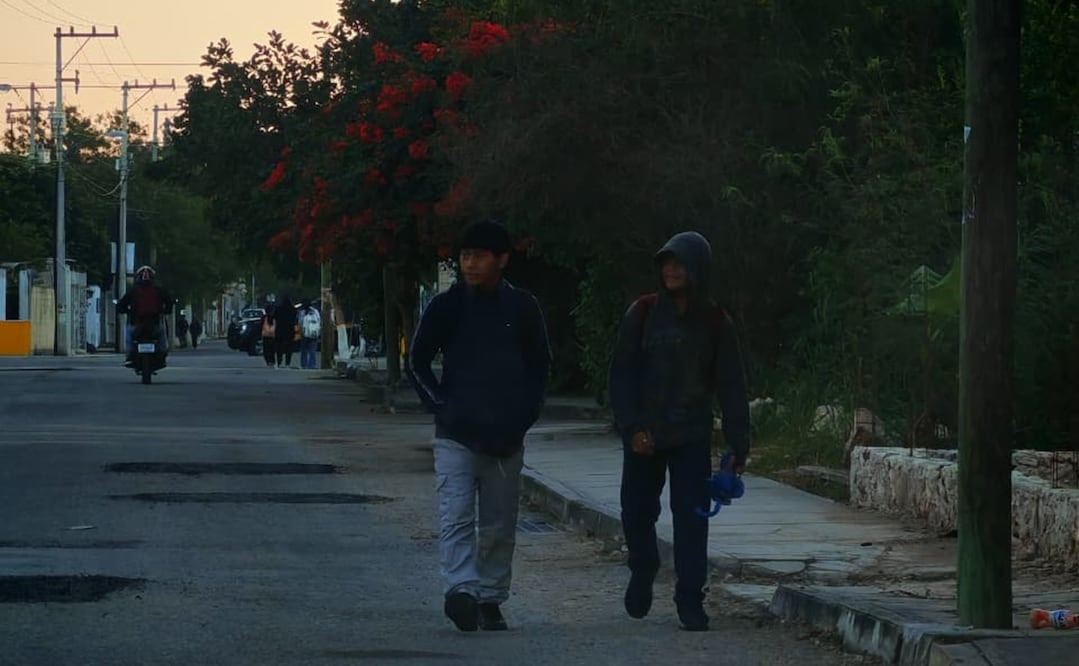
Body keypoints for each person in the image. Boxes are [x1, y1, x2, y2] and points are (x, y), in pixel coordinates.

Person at [406, 219, 551, 632]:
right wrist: (442, 407)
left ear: (501, 259)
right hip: (456, 436)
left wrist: (524, 417)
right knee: (455, 516)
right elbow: (417, 362)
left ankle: (490, 596)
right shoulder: (446, 306)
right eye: (465, 256)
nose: (470, 263)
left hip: (506, 437)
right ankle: (461, 591)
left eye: (479, 256)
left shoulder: (523, 308)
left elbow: (540, 368)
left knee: (500, 523)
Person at [607, 231, 750, 632]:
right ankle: (643, 566)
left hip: (691, 435)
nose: (670, 270)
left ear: (698, 269)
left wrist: (739, 445)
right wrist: (632, 427)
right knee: (636, 513)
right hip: (644, 437)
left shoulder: (717, 323)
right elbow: (621, 376)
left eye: (679, 262)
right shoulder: (643, 313)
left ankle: (690, 598)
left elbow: (732, 386)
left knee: (691, 520)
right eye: (665, 262)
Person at [116, 265, 174, 368]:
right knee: (162, 337)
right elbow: (169, 302)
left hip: (136, 323)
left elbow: (121, 305)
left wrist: (126, 311)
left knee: (129, 336)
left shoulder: (133, 291)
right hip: (155, 322)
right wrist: (165, 311)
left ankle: (129, 356)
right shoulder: (159, 290)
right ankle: (162, 357)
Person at [274, 296, 297, 368]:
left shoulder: (278, 309)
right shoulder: (293, 309)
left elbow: (274, 317)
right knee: (289, 348)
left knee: (279, 348)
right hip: (290, 330)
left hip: (279, 330)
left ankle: (279, 362)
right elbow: (295, 319)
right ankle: (287, 363)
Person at [298, 299, 321, 369]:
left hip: (305, 333)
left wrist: (301, 332)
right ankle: (312, 364)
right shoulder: (315, 311)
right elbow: (319, 321)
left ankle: (303, 364)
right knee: (312, 350)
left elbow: (300, 323)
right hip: (314, 333)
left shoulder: (302, 312)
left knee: (304, 350)